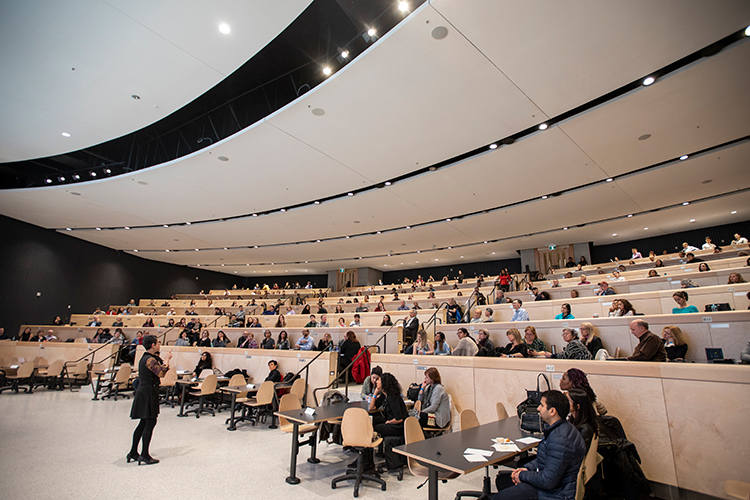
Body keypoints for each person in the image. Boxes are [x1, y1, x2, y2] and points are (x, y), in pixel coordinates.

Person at [491, 390, 585, 500]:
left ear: (552, 411)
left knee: (499, 497)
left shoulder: (560, 439)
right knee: (503, 481)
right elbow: (546, 458)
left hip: (554, 494)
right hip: (554, 487)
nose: (538, 408)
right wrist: (526, 469)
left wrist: (521, 476)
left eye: (541, 405)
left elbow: (548, 481)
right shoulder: (561, 428)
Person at [128, 335, 172, 465]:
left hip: (144, 391)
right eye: (158, 343)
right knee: (150, 422)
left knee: (143, 423)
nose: (159, 344)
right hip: (148, 393)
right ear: (153, 345)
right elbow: (161, 373)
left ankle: (133, 452)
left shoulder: (146, 358)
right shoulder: (149, 360)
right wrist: (167, 360)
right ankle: (145, 455)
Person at [363, 372, 408, 473]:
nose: (376, 381)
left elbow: (399, 418)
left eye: (379, 380)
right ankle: (366, 458)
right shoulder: (385, 395)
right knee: (370, 421)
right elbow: (372, 408)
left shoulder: (393, 397)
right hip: (392, 422)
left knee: (375, 428)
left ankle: (366, 459)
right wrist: (375, 393)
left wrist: (388, 422)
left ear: (384, 383)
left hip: (399, 426)